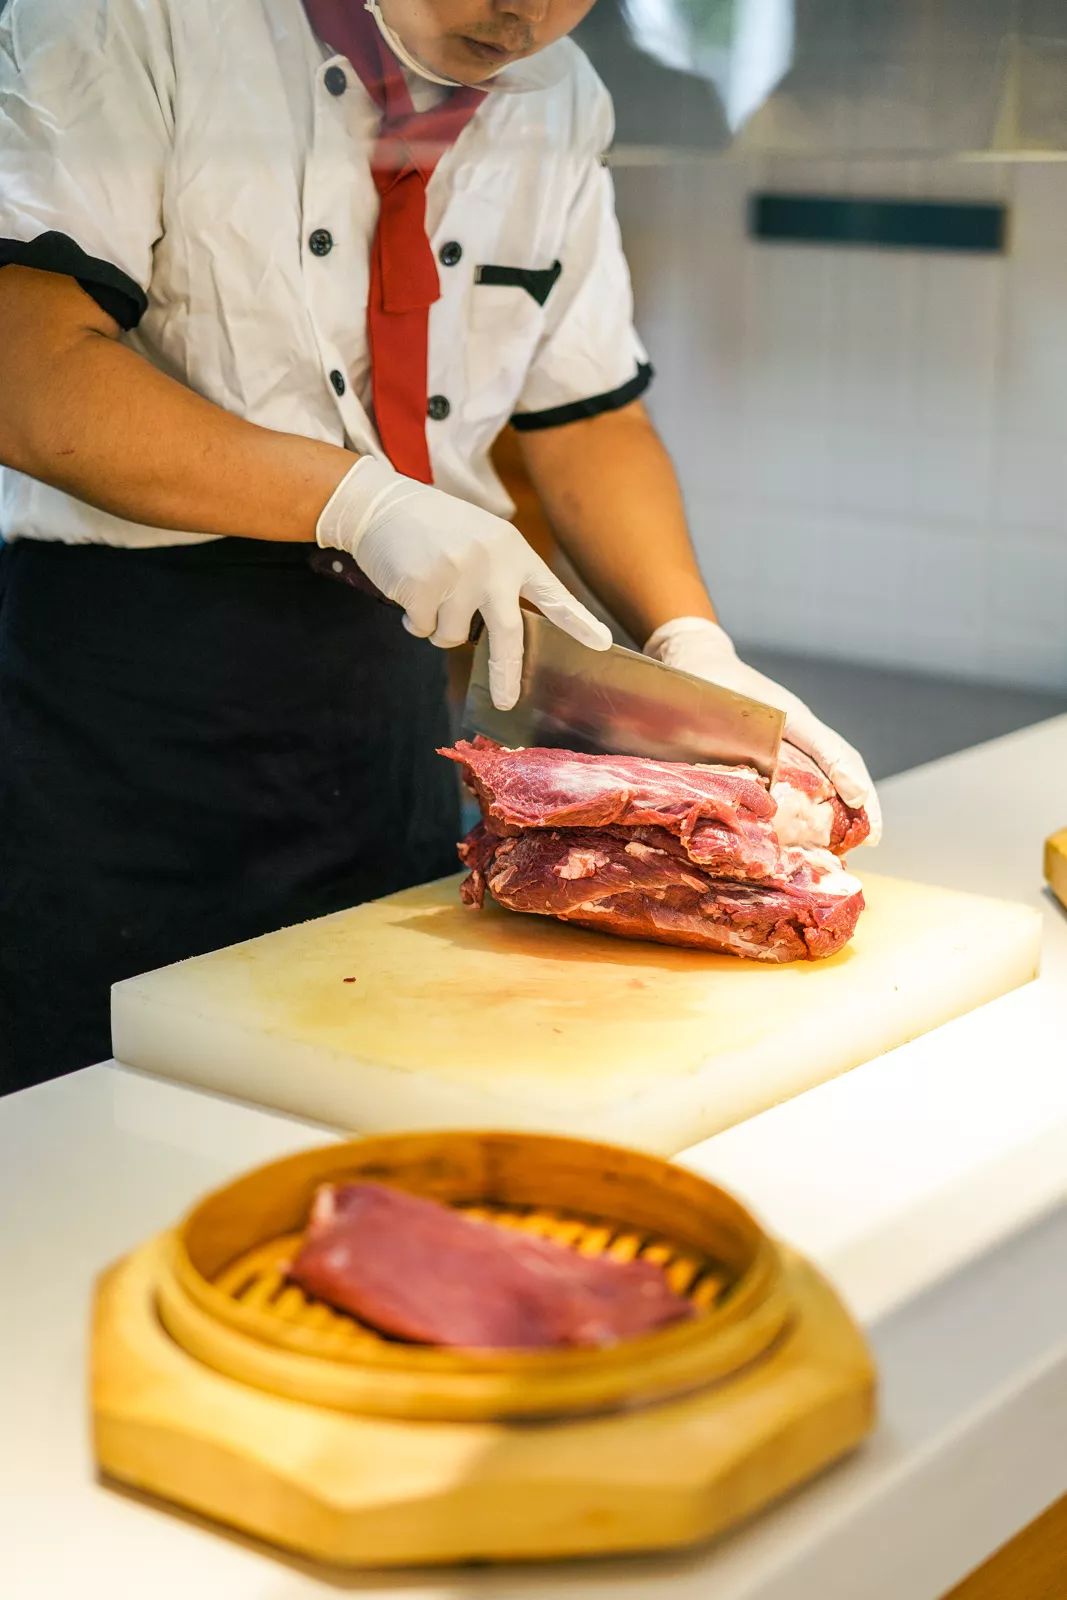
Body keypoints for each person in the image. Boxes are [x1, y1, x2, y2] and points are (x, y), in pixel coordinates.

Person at [0, 0, 879, 1095]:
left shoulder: (558, 97)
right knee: (104, 1103)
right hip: (128, 687)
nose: (525, 12)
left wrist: (687, 636)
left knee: (382, 1073)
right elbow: (30, 375)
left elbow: (588, 414)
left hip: (387, 686)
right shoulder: (135, 20)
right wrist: (363, 502)